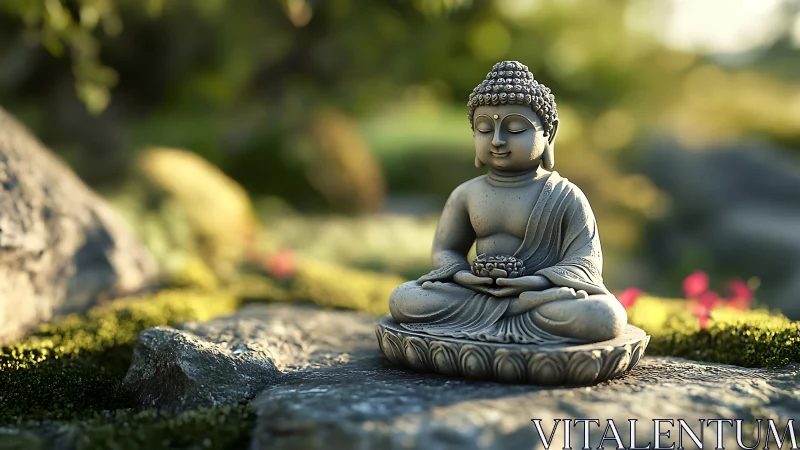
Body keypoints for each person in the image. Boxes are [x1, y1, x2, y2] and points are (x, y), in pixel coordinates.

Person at [388, 61, 627, 345]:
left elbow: (585, 260)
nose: (498, 140)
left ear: (548, 133)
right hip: (475, 296)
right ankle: (513, 327)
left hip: (539, 297)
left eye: (514, 129)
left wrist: (538, 281)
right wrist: (464, 276)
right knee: (404, 299)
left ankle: (501, 322)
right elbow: (445, 250)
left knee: (602, 315)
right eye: (484, 129)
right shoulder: (466, 194)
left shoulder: (565, 195)